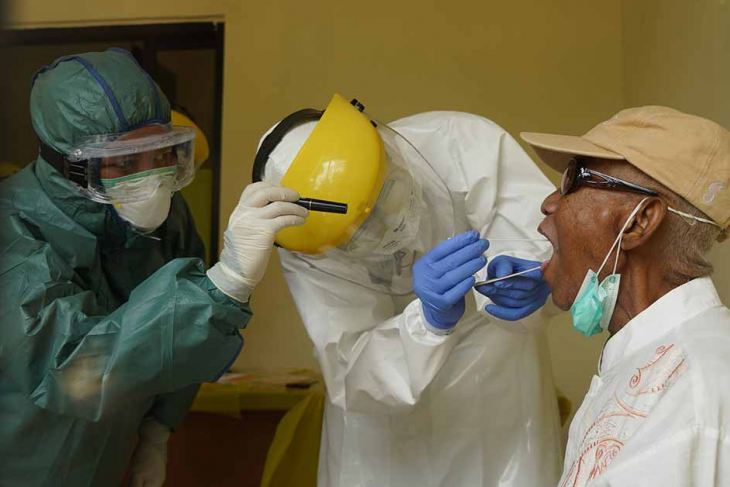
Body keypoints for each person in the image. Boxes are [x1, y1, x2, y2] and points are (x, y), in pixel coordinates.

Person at [0, 49, 307, 487]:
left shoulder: (166, 219)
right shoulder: (13, 232)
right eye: (125, 163)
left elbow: (174, 347)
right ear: (70, 165)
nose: (150, 180)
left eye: (161, 153)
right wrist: (224, 283)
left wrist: (157, 430)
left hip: (105, 460)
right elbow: (71, 372)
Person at [252, 94, 563, 486]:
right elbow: (350, 369)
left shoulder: (460, 144)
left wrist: (535, 272)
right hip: (383, 439)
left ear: (385, 152)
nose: (391, 228)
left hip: (498, 390)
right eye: (360, 232)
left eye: (386, 195)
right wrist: (426, 323)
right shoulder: (307, 243)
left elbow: (545, 242)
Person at [521, 105, 730, 486]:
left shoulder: (689, 390)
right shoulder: (653, 363)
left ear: (638, 222)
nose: (549, 202)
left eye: (573, 179)